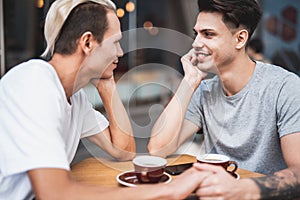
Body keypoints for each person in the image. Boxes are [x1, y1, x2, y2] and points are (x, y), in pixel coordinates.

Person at [0, 0, 213, 199]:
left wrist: (107, 82)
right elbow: (55, 194)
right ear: (87, 42)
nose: (121, 52)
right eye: (116, 42)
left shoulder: (74, 97)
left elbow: (123, 151)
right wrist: (168, 191)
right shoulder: (33, 84)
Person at [148, 0, 300, 199]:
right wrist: (189, 81)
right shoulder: (203, 90)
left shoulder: (285, 87)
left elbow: (298, 172)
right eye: (196, 34)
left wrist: (243, 189)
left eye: (208, 34)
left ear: (240, 39)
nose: (195, 44)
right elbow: (157, 150)